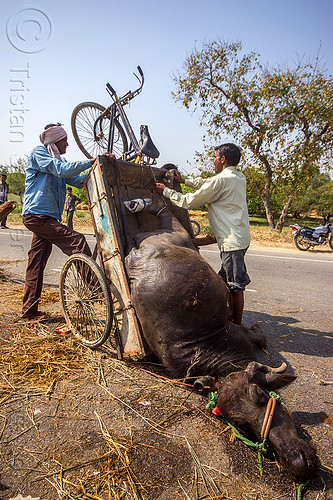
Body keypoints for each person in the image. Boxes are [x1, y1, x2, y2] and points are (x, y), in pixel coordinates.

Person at [21, 122, 114, 319]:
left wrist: (100, 166)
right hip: (37, 215)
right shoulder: (39, 153)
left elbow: (78, 180)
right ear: (55, 140)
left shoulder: (58, 160)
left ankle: (29, 310)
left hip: (46, 217)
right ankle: (96, 289)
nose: (68, 145)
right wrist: (91, 160)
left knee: (36, 264)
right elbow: (61, 170)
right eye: (65, 140)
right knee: (77, 240)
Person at [155, 143, 251, 325]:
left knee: (235, 286)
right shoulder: (238, 177)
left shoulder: (221, 181)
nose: (213, 161)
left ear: (222, 159)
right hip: (240, 237)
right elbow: (209, 183)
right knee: (225, 281)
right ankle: (228, 317)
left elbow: (189, 201)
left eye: (215, 157)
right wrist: (185, 181)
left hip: (232, 242)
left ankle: (238, 328)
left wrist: (166, 191)